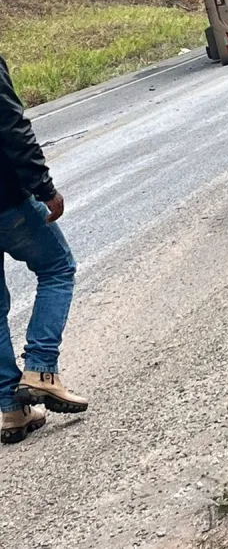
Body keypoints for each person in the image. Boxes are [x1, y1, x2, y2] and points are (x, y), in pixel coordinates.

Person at [0, 55, 88, 445]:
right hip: (6, 202)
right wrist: (44, 187)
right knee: (57, 269)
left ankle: (11, 408)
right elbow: (11, 126)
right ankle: (40, 369)